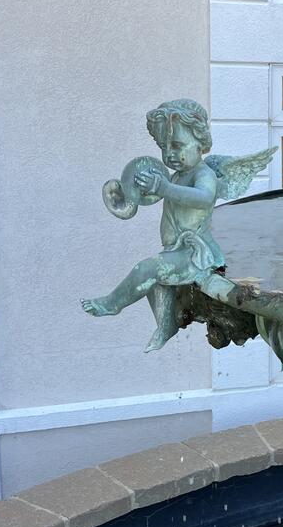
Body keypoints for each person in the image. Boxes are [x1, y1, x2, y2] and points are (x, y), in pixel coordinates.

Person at [81, 99, 224, 352]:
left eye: (177, 145)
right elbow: (158, 195)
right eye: (164, 146)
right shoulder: (177, 176)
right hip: (175, 250)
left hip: (196, 254)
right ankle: (165, 325)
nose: (170, 154)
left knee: (146, 270)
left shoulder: (204, 175)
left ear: (201, 143)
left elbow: (203, 199)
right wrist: (133, 192)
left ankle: (113, 303)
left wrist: (166, 188)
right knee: (156, 283)